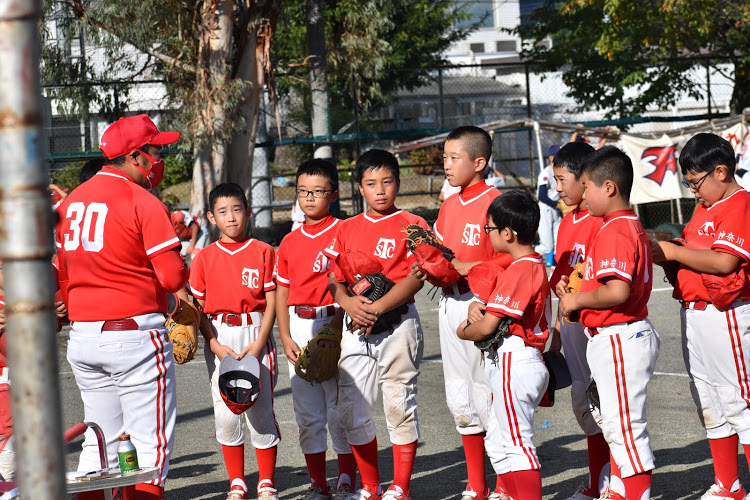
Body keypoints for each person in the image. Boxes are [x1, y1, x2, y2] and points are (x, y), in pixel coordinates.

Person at [55, 114, 187, 500]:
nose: (159, 159)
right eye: (155, 151)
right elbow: (172, 277)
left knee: (99, 445)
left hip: (84, 336)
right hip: (134, 337)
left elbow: (63, 278)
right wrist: (171, 297)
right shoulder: (141, 199)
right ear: (135, 156)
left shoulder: (72, 201)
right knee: (149, 449)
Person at [323, 149, 426, 500]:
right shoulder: (346, 228)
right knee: (351, 409)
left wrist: (378, 307)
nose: (380, 190)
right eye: (371, 183)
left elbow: (418, 276)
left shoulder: (413, 223)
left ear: (398, 183)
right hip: (356, 324)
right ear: (360, 188)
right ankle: (370, 486)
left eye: (387, 181)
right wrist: (348, 303)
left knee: (399, 405)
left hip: (398, 323)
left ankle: (401, 487)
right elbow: (334, 278)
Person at [558, 146, 660, 500]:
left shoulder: (615, 229)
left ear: (609, 187)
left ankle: (635, 494)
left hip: (619, 335)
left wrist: (576, 300)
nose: (583, 194)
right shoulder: (626, 223)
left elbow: (617, 291)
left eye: (587, 186)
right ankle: (619, 490)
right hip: (620, 334)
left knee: (624, 428)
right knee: (617, 425)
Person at [653, 133, 750, 500]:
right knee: (708, 401)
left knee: (738, 401)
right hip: (695, 311)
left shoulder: (739, 203)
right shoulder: (705, 206)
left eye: (696, 182)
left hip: (727, 313)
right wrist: (669, 252)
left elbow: (725, 262)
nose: (693, 190)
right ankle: (728, 485)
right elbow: (696, 251)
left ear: (720, 172)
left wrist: (674, 253)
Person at [419, 126, 513, 500]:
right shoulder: (449, 204)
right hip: (450, 302)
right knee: (461, 396)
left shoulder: (497, 202)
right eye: (444, 157)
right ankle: (477, 485)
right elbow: (443, 258)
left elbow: (515, 256)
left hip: (484, 301)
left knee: (489, 392)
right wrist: (427, 264)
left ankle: (504, 483)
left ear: (479, 162)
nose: (446, 164)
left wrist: (470, 266)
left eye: (454, 157)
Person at [457, 190, 551, 500]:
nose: (488, 234)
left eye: (490, 228)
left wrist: (463, 329)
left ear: (507, 233)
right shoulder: (531, 264)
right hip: (518, 360)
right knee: (498, 443)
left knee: (517, 444)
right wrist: (479, 307)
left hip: (516, 360)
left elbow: (486, 327)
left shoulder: (521, 268)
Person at [189, 183, 280, 500]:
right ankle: (237, 482)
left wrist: (260, 343)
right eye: (223, 211)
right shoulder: (203, 258)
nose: (231, 217)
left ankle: (266, 481)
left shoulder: (264, 251)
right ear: (211, 217)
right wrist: (213, 344)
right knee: (227, 412)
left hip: (255, 331)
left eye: (237, 209)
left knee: (260, 410)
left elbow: (272, 302)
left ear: (248, 212)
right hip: (220, 335)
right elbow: (199, 309)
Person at [275, 159, 356, 500]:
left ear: (333, 194)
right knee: (307, 413)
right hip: (299, 322)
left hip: (335, 321)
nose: (309, 198)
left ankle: (347, 477)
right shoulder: (289, 241)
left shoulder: (344, 231)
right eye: (303, 191)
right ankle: (318, 482)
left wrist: (335, 328)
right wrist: (285, 335)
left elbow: (354, 284)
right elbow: (282, 291)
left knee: (339, 408)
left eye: (318, 191)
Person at [547, 142, 616, 500]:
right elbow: (564, 280)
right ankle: (599, 478)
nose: (557, 187)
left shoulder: (603, 220)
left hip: (600, 322)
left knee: (605, 401)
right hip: (573, 323)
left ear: (585, 178)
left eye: (562, 179)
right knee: (583, 400)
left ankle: (616, 479)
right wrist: (557, 332)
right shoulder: (566, 222)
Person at [537, 145, 562, 267]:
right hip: (545, 209)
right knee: (547, 247)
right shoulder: (546, 172)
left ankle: (554, 272)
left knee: (559, 245)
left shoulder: (560, 171)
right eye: (558, 154)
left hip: (555, 210)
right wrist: (556, 205)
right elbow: (541, 195)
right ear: (551, 157)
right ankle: (523, 251)